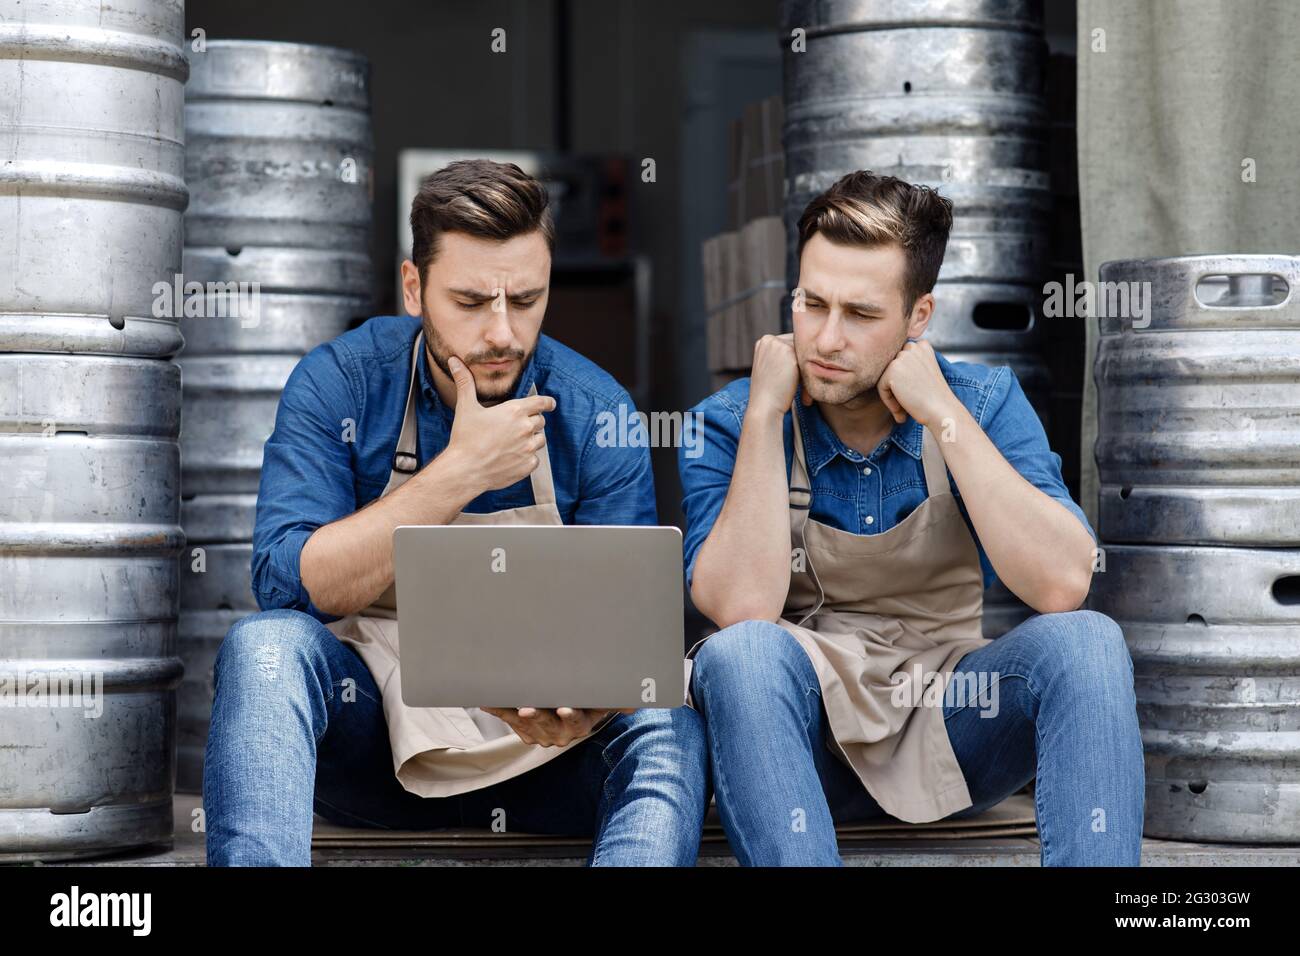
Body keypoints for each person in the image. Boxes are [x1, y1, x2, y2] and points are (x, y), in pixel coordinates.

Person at [204, 159, 709, 866]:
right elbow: (290, 585)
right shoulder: (341, 383)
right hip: (378, 751)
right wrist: (460, 472)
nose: (503, 332)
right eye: (471, 302)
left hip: (544, 762)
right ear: (414, 287)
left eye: (526, 299)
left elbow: (630, 639)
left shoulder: (598, 413)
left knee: (668, 727)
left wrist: (584, 705)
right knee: (263, 648)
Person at [679, 170, 1144, 866]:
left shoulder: (979, 401)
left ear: (917, 317)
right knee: (739, 653)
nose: (826, 338)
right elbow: (742, 608)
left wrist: (943, 415)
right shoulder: (729, 420)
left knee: (1087, 642)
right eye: (812, 304)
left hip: (951, 733)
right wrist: (763, 414)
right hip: (799, 748)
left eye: (861, 314)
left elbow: (1060, 585)